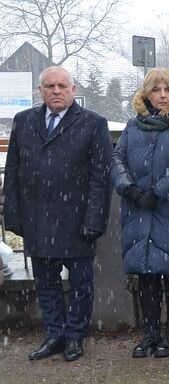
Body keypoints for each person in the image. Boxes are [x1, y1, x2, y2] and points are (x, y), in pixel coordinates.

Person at [4, 66, 113, 362]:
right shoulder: (23, 121)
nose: (56, 91)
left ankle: (76, 336)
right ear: (40, 91)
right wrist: (12, 215)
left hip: (77, 220)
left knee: (80, 283)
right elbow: (12, 170)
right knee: (46, 284)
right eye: (50, 86)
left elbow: (100, 178)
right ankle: (54, 335)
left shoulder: (93, 123)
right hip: (37, 220)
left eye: (62, 86)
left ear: (73, 89)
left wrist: (94, 219)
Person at [111, 68, 169, 358]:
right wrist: (129, 188)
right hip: (138, 210)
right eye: (156, 90)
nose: (162, 95)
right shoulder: (133, 126)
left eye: (168, 90)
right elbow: (117, 159)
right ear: (146, 93)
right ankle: (150, 332)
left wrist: (158, 190)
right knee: (146, 274)